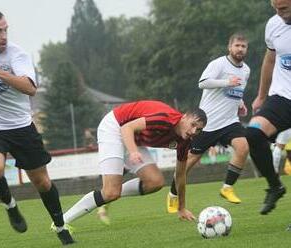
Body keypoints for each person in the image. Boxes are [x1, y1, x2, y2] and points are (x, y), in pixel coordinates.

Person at [0, 8, 74, 245]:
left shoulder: (17, 54)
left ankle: (61, 226)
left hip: (20, 126)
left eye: (6, 30)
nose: (4, 36)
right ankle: (10, 206)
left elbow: (30, 88)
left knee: (42, 182)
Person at [59, 100, 206, 229]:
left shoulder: (185, 142)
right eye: (193, 125)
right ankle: (60, 222)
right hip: (115, 126)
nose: (194, 131)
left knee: (155, 182)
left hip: (133, 139)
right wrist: (133, 151)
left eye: (198, 129)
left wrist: (182, 208)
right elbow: (126, 128)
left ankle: (110, 194)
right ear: (184, 116)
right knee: (110, 192)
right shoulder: (164, 119)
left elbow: (180, 175)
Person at [167, 33, 250, 213]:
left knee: (243, 148)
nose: (240, 49)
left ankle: (227, 188)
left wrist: (241, 104)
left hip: (230, 122)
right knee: (189, 163)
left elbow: (238, 91)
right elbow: (202, 83)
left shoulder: (246, 70)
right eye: (237, 45)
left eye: (243, 46)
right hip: (207, 123)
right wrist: (226, 81)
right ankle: (173, 193)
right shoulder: (218, 64)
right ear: (230, 47)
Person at [246, 0, 291, 215]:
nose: (278, 13)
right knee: (253, 134)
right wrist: (261, 96)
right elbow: (270, 59)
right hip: (282, 96)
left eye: (283, 8)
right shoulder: (273, 24)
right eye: (275, 8)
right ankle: (275, 186)